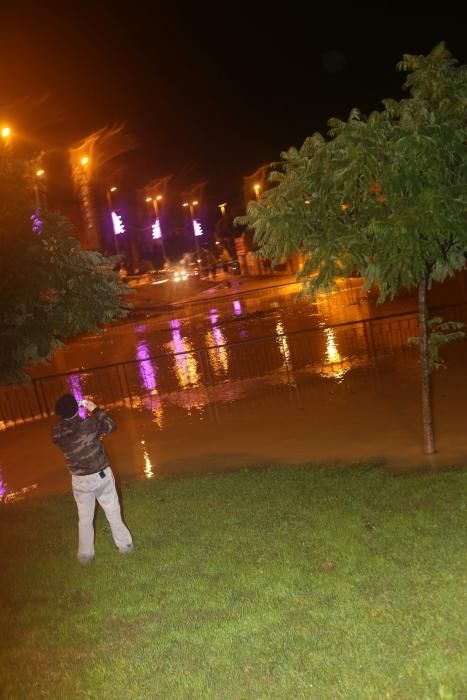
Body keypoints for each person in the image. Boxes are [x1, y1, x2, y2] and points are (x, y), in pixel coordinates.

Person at [51, 394, 133, 564]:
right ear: (77, 408)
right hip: (100, 476)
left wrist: (72, 414)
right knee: (112, 511)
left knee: (85, 518)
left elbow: (64, 427)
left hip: (79, 480)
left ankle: (85, 556)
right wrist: (94, 409)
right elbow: (111, 425)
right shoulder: (90, 425)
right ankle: (125, 546)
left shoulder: (56, 432)